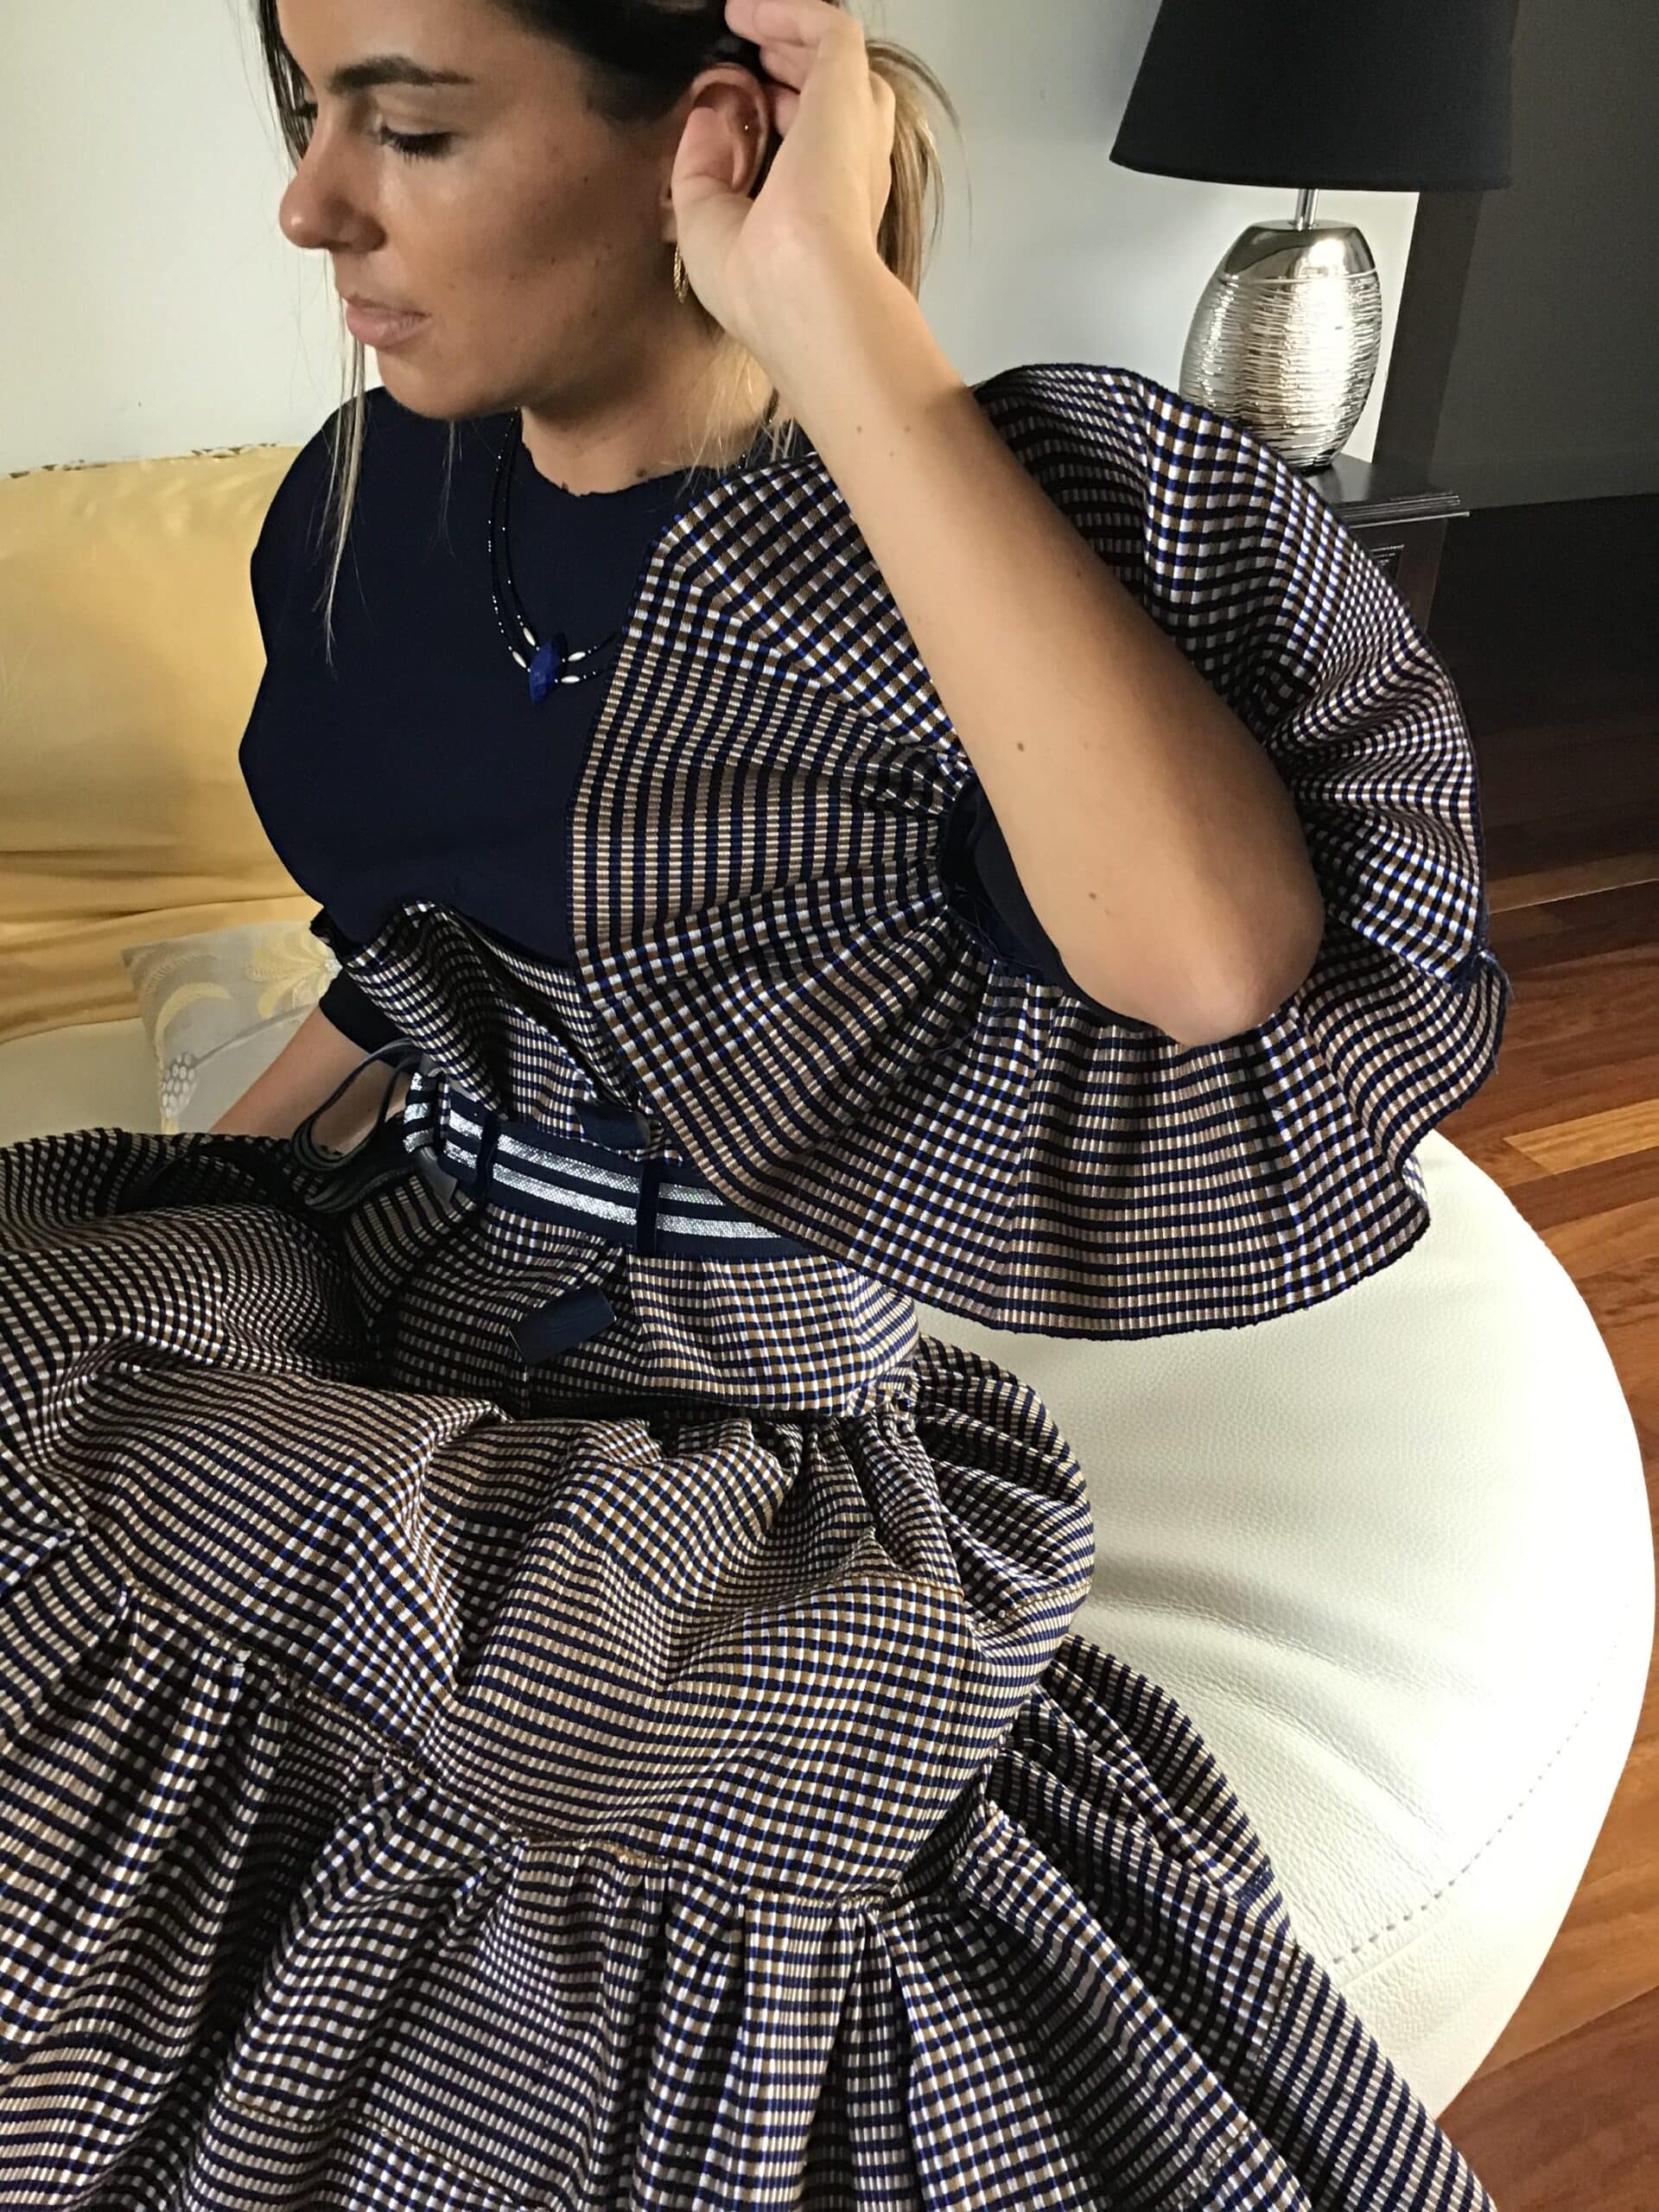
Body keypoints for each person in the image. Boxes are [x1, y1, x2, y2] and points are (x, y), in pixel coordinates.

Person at [0, 1, 1512, 2205]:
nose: (309, 206)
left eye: (409, 129)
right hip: (391, 1256)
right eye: (309, 114)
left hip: (720, 1403)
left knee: (601, 1835)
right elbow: (416, 951)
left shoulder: (943, 576)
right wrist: (220, 1171)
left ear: (702, 138)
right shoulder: (377, 498)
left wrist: (829, 302)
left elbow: (1208, 959)